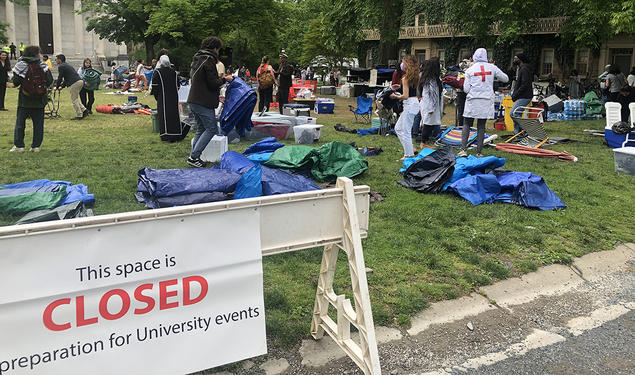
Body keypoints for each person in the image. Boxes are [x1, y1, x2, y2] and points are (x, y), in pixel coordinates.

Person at [186, 36, 233, 168]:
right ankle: (194, 157)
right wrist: (225, 79)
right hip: (203, 101)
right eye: (218, 49)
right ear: (215, 48)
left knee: (201, 128)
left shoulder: (198, 59)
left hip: (194, 99)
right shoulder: (209, 60)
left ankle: (194, 157)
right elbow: (212, 84)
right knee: (211, 128)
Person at [459, 48, 508, 157]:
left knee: (466, 124)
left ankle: (463, 150)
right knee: (481, 125)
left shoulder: (470, 70)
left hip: (472, 99)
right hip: (486, 100)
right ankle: (479, 152)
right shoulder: (492, 68)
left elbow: (466, 89)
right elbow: (506, 79)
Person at [10, 45, 53, 152]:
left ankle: (19, 146)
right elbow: (50, 80)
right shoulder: (42, 65)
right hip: (39, 99)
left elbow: (15, 82)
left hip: (25, 99)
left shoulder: (21, 65)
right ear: (37, 54)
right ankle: (35, 146)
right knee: (38, 124)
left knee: (20, 123)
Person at [151, 55, 188, 142]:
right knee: (174, 115)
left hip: (163, 97)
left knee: (164, 115)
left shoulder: (158, 72)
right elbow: (178, 85)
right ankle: (175, 133)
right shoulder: (174, 72)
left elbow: (155, 87)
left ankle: (166, 135)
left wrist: (157, 96)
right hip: (173, 97)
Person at [392, 55, 420, 161]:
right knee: (398, 128)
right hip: (414, 103)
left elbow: (405, 95)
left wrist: (395, 96)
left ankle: (409, 155)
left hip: (409, 104)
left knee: (406, 131)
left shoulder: (405, 78)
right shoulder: (415, 76)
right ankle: (408, 151)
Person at [418, 58, 443, 149]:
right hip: (429, 106)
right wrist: (430, 108)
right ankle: (423, 142)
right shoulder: (429, 81)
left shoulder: (433, 79)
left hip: (433, 105)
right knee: (428, 124)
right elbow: (429, 96)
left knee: (431, 123)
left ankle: (426, 141)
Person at [55, 54, 87, 120]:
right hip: (80, 81)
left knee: (74, 100)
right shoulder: (66, 65)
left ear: (59, 60)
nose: (55, 60)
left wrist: (57, 86)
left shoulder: (61, 66)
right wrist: (61, 86)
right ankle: (84, 110)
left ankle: (79, 115)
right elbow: (67, 78)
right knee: (75, 98)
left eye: (56, 59)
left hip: (75, 83)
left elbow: (60, 78)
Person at [510, 52, 532, 134]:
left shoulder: (524, 69)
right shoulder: (521, 68)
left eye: (516, 58)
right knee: (517, 114)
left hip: (525, 96)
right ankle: (517, 133)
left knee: (513, 113)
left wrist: (516, 94)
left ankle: (525, 130)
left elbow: (525, 85)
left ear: (521, 60)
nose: (514, 60)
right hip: (522, 95)